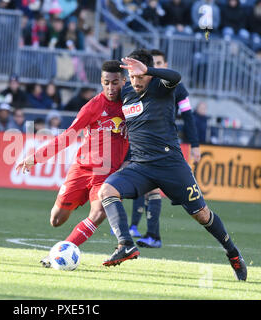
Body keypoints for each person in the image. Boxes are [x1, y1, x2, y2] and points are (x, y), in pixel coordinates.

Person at [98, 49, 247, 281]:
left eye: (140, 77)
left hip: (171, 166)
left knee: (202, 215)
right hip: (141, 167)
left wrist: (149, 70)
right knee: (107, 191)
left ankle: (233, 252)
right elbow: (105, 96)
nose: (136, 82)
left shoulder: (161, 87)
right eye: (133, 77)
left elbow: (176, 76)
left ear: (148, 74)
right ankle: (126, 244)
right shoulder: (126, 91)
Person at [16, 60, 128, 268]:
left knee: (98, 213)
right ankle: (80, 198)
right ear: (101, 82)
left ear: (124, 81)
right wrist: (36, 157)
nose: (111, 88)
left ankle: (61, 252)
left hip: (107, 173)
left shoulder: (131, 106)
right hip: (82, 169)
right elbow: (67, 136)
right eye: (106, 83)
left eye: (115, 83)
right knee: (56, 220)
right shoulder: (93, 106)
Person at [128, 49, 201, 248]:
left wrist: (194, 144)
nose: (157, 67)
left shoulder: (177, 88)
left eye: (160, 63)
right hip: (143, 142)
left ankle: (150, 233)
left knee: (151, 189)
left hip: (165, 146)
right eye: (155, 63)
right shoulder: (139, 85)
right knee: (141, 185)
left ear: (165, 65)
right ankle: (137, 228)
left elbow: (188, 116)